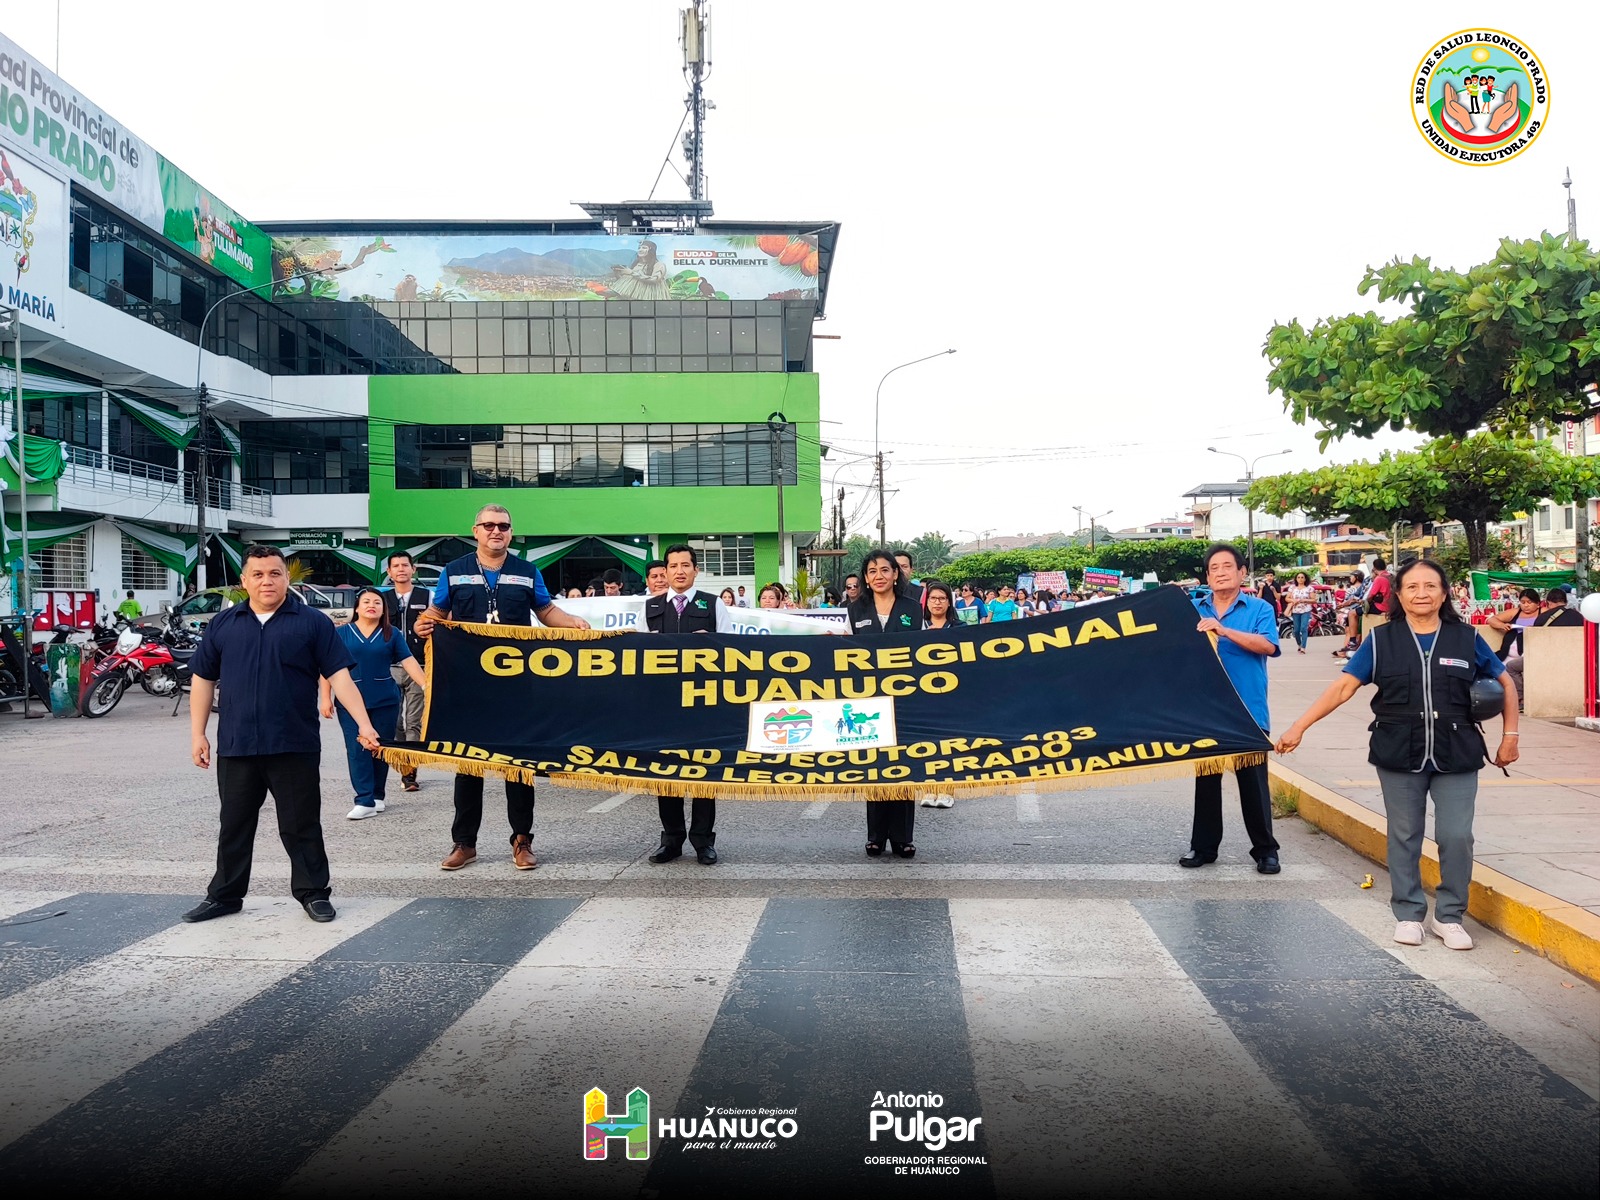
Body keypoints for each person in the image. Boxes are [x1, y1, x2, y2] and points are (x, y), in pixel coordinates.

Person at [1276, 559, 1518, 950]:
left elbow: (1504, 682)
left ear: (1444, 593)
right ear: (1399, 594)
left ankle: (1450, 916)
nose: (1421, 593)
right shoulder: (1381, 640)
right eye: (1412, 587)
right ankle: (1408, 913)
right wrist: (1298, 727)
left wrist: (1511, 736)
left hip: (1456, 751)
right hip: (1397, 750)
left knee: (1456, 836)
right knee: (1404, 835)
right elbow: (1342, 689)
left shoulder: (1465, 638)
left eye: (1430, 586)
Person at [183, 545, 379, 925]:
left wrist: (364, 723)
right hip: (237, 745)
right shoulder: (224, 625)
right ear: (244, 581)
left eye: (275, 573)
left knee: (301, 822)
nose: (266, 581)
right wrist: (198, 735)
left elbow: (340, 676)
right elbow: (203, 680)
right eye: (258, 574)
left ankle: (313, 894)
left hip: (293, 742)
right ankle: (224, 895)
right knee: (234, 823)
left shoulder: (312, 623)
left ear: (286, 578)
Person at [412, 504, 590, 873]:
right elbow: (437, 614)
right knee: (468, 763)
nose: (497, 531)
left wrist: (570, 620)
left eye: (504, 526)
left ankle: (522, 840)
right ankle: (465, 843)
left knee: (518, 764)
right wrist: (423, 625)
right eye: (489, 525)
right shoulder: (454, 571)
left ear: (511, 533)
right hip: (468, 684)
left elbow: (544, 611)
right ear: (475, 530)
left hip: (515, 685)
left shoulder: (526, 571)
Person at [1182, 543, 1282, 874]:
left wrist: (1223, 631)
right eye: (1214, 568)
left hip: (1248, 710)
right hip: (1206, 712)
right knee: (1206, 783)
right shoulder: (1192, 610)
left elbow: (1267, 645)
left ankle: (1266, 850)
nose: (1221, 572)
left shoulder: (1259, 609)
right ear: (1207, 576)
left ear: (1242, 573)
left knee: (1253, 784)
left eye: (1228, 566)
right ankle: (1203, 848)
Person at [643, 544, 734, 865]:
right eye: (673, 566)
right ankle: (670, 840)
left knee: (703, 771)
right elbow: (639, 658)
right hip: (663, 704)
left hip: (703, 702)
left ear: (696, 570)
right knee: (666, 770)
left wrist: (707, 643)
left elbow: (731, 652)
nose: (679, 571)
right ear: (664, 572)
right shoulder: (650, 607)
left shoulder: (713, 605)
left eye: (686, 565)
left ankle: (703, 840)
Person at [320, 588, 427, 820]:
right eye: (366, 601)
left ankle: (378, 796)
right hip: (349, 702)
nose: (372, 605)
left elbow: (408, 661)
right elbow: (327, 667)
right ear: (357, 607)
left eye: (377, 602)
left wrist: (427, 686)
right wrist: (325, 697)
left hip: (385, 700)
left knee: (381, 748)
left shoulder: (392, 634)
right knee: (358, 749)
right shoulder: (341, 633)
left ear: (383, 609)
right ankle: (364, 799)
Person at [847, 549, 925, 855]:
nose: (878, 576)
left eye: (884, 570)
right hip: (869, 700)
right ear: (865, 578)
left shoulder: (912, 608)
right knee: (876, 764)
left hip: (905, 697)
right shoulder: (856, 609)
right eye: (871, 571)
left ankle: (903, 837)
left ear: (896, 573)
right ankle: (876, 835)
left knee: (903, 764)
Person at [383, 550, 431, 791]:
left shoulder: (428, 596)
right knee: (395, 723)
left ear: (413, 570)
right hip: (389, 667)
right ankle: (403, 761)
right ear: (389, 572)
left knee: (414, 722)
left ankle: (410, 773)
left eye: (405, 565)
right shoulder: (381, 600)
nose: (401, 569)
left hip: (419, 666)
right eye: (396, 566)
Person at [919, 580, 960, 810]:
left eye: (942, 598)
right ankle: (928, 787)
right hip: (923, 694)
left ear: (949, 602)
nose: (937, 602)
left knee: (948, 742)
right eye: (933, 598)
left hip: (950, 694)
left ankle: (947, 789)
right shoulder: (917, 626)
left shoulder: (958, 627)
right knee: (925, 742)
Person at [1285, 571, 1316, 654]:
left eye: (1302, 577)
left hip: (1306, 610)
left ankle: (1303, 647)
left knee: (1303, 628)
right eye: (1298, 577)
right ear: (1296, 579)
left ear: (1305, 579)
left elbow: (1314, 599)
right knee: (1296, 630)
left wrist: (1305, 600)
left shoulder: (1309, 588)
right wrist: (1293, 600)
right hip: (1295, 610)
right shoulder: (1292, 588)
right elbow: (1287, 598)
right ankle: (1299, 644)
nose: (1300, 579)